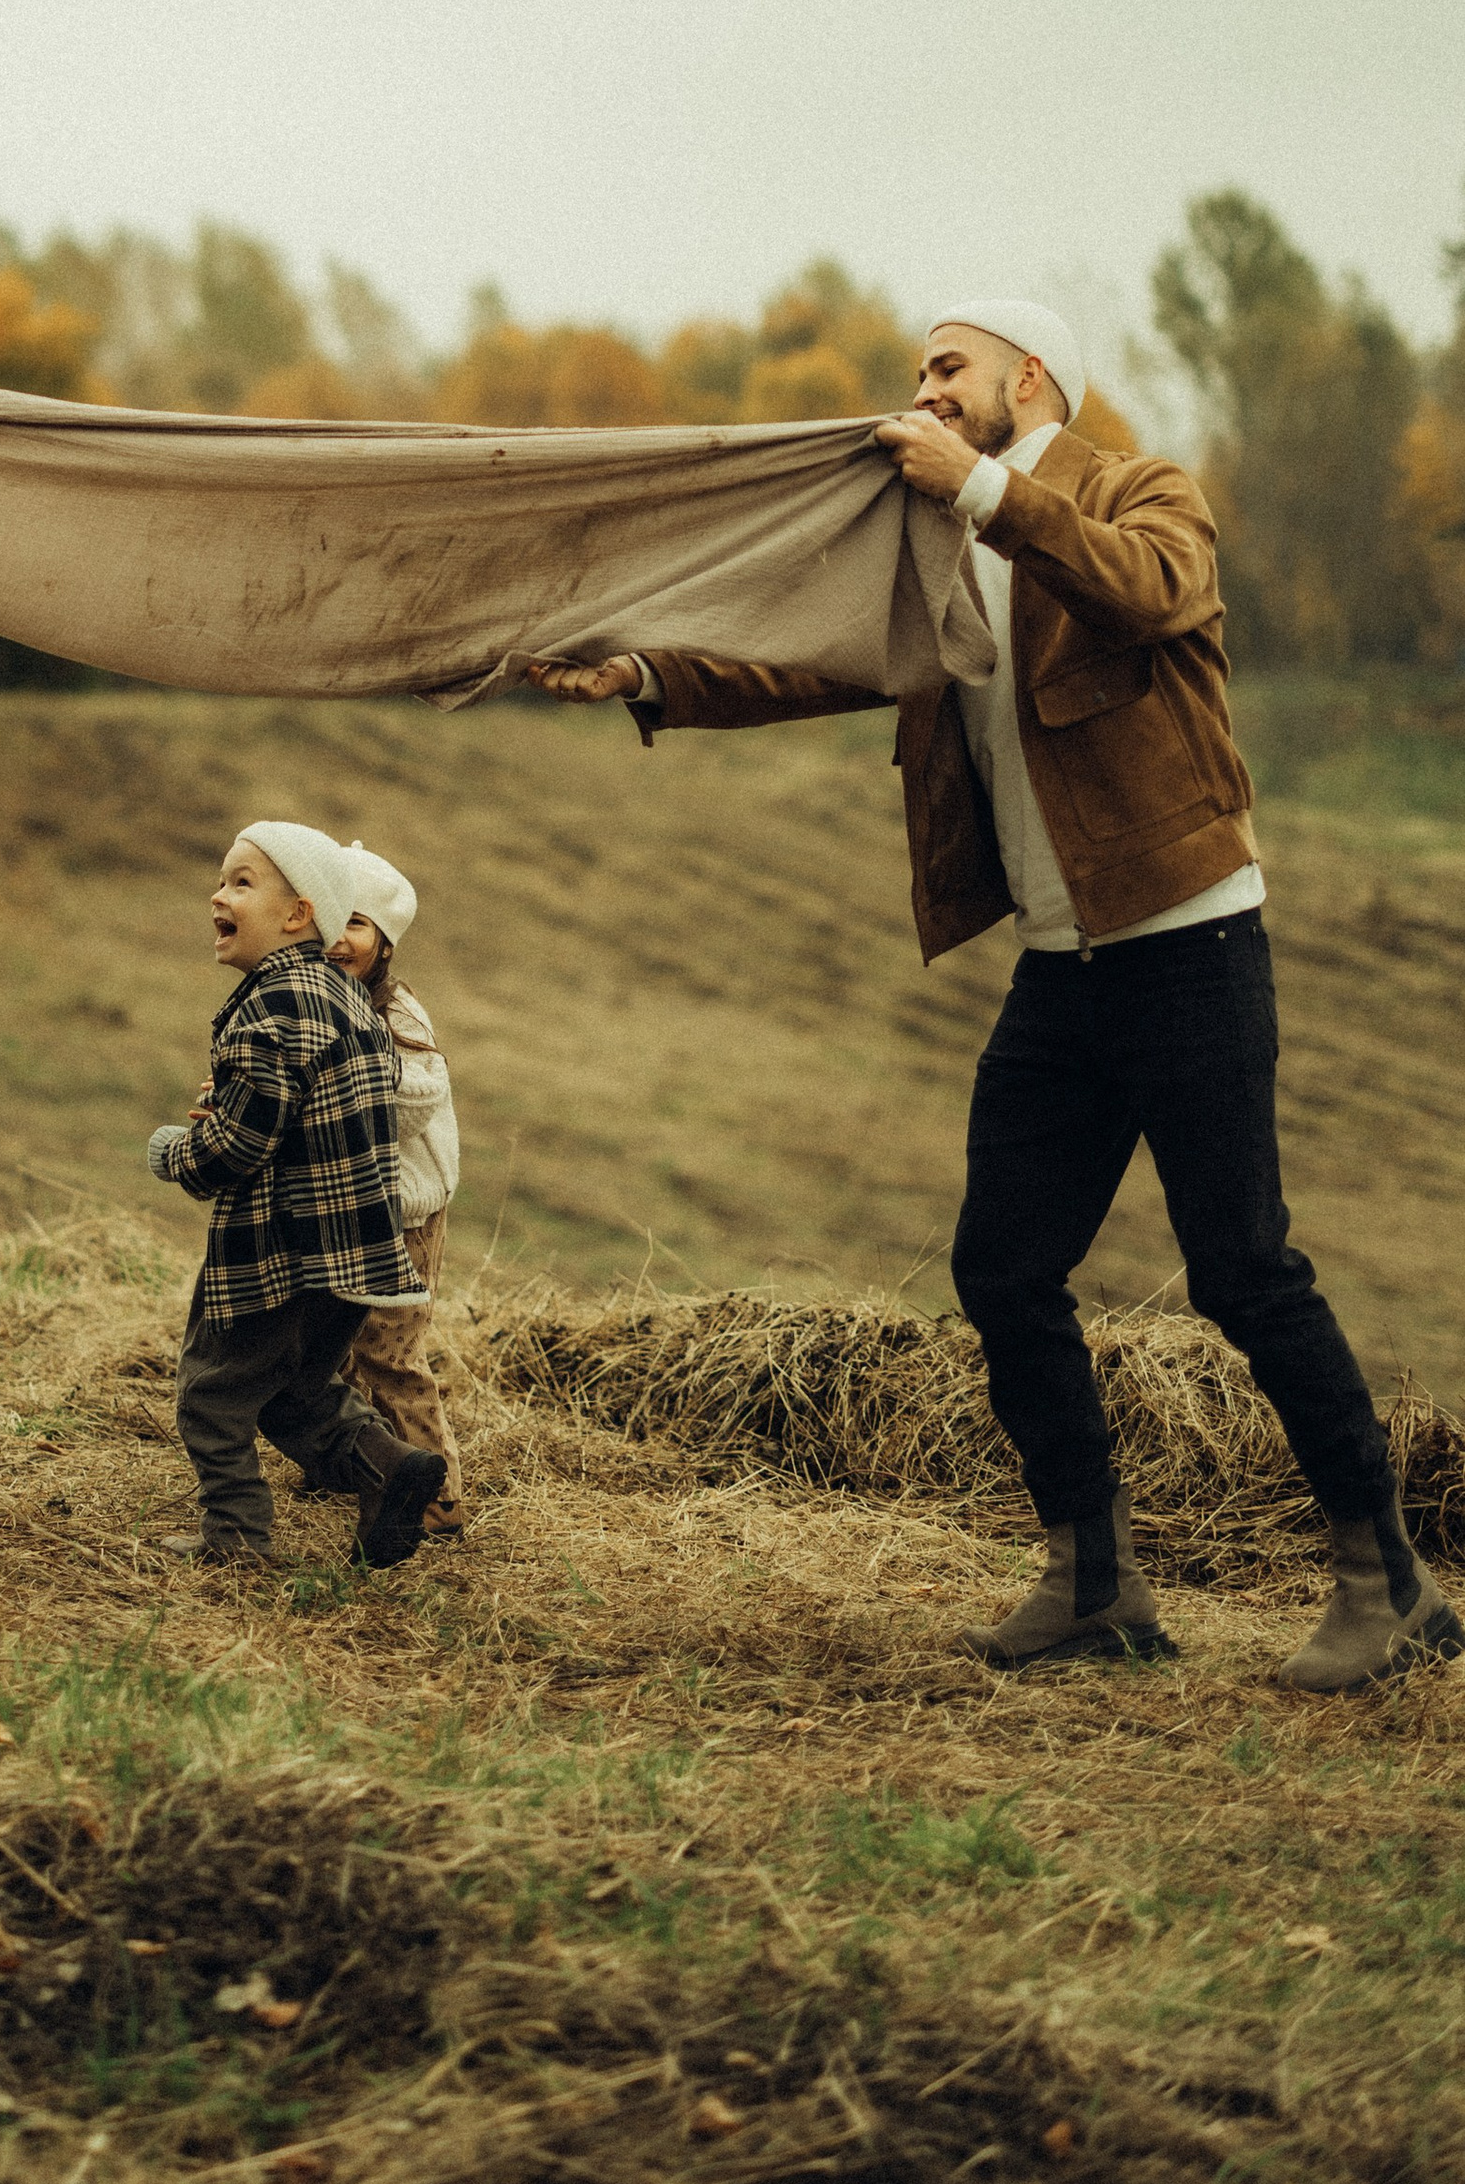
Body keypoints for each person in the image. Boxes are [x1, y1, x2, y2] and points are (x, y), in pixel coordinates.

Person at [529, 297, 1459, 1694]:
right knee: (1004, 1269)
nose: (924, 389)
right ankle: (1095, 1584)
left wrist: (979, 490)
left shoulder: (1135, 493)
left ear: (1029, 376)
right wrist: (649, 672)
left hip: (1189, 941)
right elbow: (821, 663)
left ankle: (1390, 1585)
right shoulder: (939, 546)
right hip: (1059, 968)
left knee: (1242, 1269)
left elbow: (1156, 593)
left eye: (946, 368)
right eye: (919, 373)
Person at [144, 820, 450, 1574]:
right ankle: (390, 1464)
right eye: (221, 879)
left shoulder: (271, 1008)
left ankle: (236, 1542)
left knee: (213, 1399)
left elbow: (240, 1147)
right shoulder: (349, 1002)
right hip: (355, 1260)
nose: (218, 894)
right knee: (293, 1392)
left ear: (297, 915)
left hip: (282, 1255)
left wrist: (175, 1153)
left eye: (242, 881)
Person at [321, 845, 466, 1536]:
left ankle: (437, 1496)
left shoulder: (396, 1015)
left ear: (385, 943)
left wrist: (339, 1080)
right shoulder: (313, 1001)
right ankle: (346, 1465)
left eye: (354, 922)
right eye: (321, 917)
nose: (335, 937)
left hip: (402, 1218)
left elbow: (419, 1095)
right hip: (344, 1211)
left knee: (389, 1355)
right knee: (335, 1344)